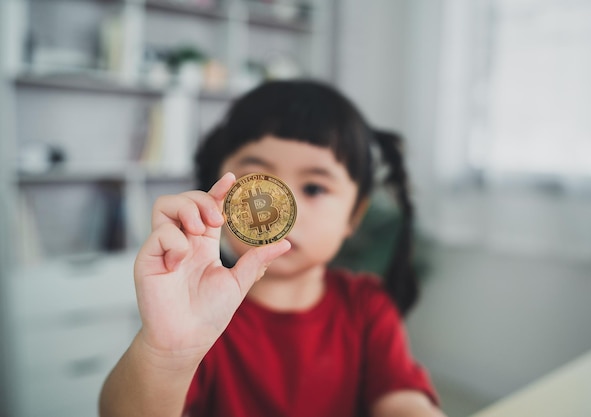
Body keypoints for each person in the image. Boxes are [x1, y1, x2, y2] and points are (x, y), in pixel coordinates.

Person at [99, 80, 446, 417]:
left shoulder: (367, 308)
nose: (283, 209)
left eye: (313, 187)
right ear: (221, 196)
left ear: (353, 215)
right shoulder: (201, 316)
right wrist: (166, 353)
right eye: (260, 187)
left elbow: (403, 401)